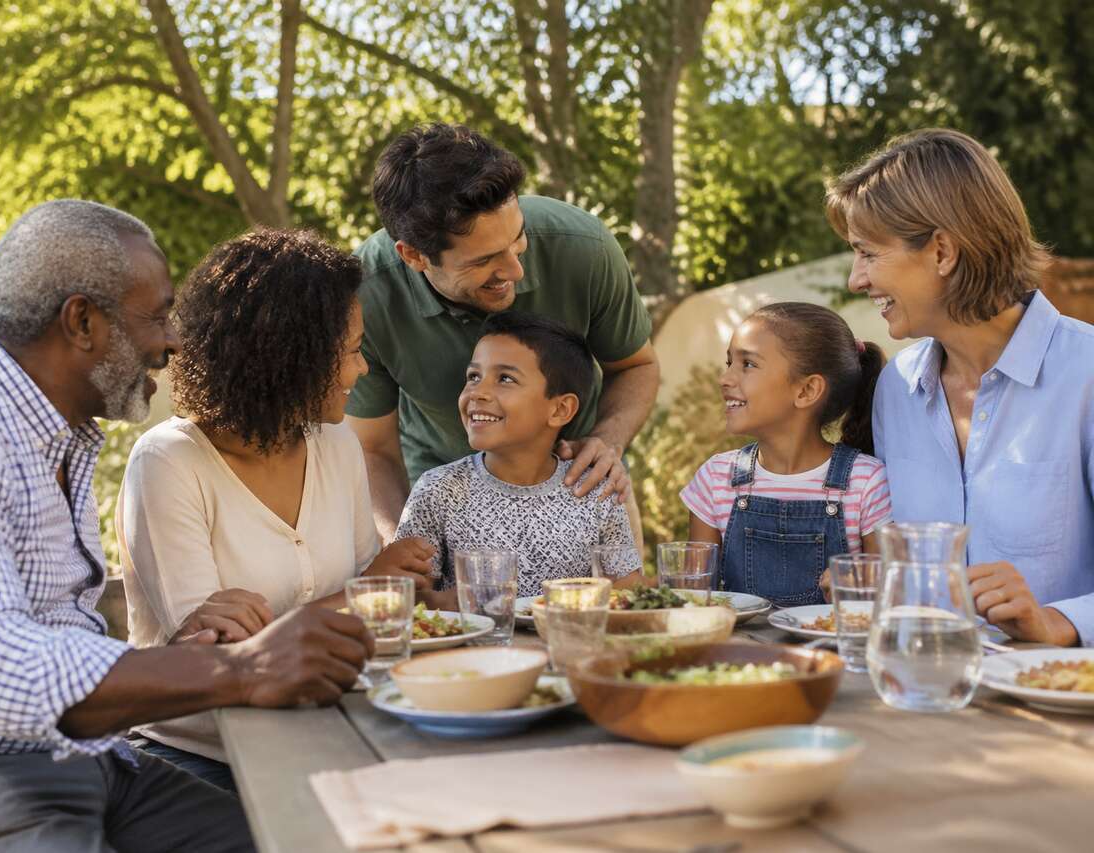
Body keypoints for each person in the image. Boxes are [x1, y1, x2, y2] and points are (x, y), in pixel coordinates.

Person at [0, 201, 373, 852]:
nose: (174, 342)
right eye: (158, 315)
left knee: (320, 838)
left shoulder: (60, 440)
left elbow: (56, 650)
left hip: (82, 764)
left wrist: (179, 656)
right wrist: (240, 666)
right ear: (82, 321)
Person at [117, 229, 435, 788]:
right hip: (203, 757)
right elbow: (213, 654)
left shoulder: (337, 445)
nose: (362, 371)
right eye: (354, 350)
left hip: (336, 727)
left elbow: (371, 608)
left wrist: (382, 590)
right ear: (293, 357)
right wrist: (369, 593)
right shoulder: (170, 462)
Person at [827, 128, 1094, 646]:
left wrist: (1057, 623)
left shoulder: (1086, 373)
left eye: (868, 253)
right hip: (918, 691)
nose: (856, 280)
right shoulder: (896, 390)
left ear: (943, 252)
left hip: (1057, 710)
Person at [345, 123, 660, 542]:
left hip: (583, 490)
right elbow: (373, 449)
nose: (515, 270)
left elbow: (637, 366)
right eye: (485, 260)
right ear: (414, 255)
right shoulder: (366, 295)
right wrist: (401, 544)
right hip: (444, 504)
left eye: (518, 238)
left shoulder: (585, 248)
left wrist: (606, 442)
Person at [394, 312, 641, 600]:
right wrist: (456, 603)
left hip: (569, 642)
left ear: (560, 410)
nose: (478, 392)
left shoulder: (596, 490)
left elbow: (628, 591)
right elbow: (406, 597)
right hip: (476, 645)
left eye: (505, 379)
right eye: (474, 376)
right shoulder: (438, 490)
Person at [680, 303, 892, 606]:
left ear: (806, 391)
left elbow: (888, 593)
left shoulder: (866, 482)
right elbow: (696, 602)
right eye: (729, 362)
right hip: (741, 652)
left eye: (748, 364)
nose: (725, 378)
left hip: (833, 650)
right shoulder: (716, 478)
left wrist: (861, 583)